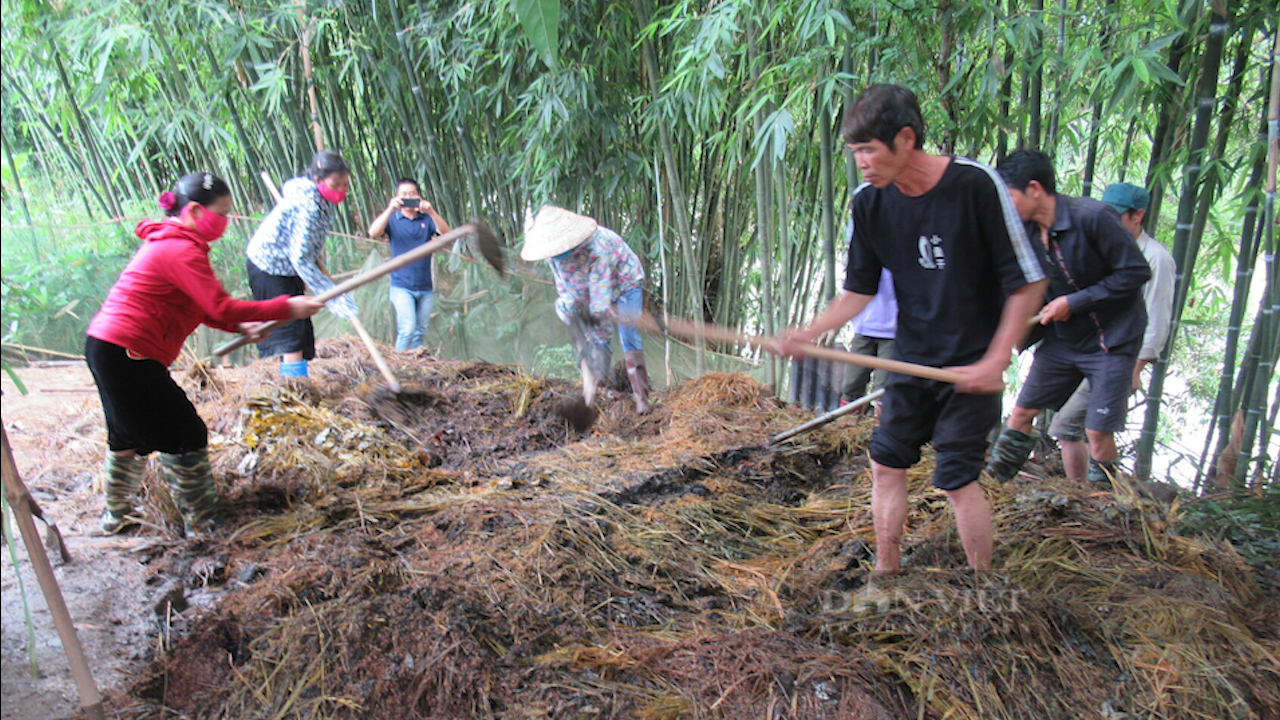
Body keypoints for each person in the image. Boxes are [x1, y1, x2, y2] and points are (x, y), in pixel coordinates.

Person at [773, 84, 1047, 575]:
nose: (861, 162)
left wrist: (996, 359)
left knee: (959, 480)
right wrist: (810, 333)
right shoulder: (870, 204)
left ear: (906, 139)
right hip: (909, 357)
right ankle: (886, 572)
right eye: (855, 152)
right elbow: (858, 291)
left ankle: (985, 586)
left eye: (868, 150)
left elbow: (1028, 282)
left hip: (970, 363)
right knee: (885, 464)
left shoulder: (974, 186)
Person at [85, 173, 323, 535]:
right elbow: (221, 307)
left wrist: (243, 328)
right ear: (195, 210)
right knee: (185, 433)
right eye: (222, 214)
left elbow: (206, 311)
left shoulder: (175, 244)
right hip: (128, 351)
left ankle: (116, 516)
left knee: (126, 437)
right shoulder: (178, 248)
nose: (225, 223)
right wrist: (285, 307)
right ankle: (204, 525)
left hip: (108, 347)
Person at [987, 151, 1151, 485]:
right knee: (1021, 413)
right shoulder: (1025, 233)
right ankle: (993, 487)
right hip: (1064, 339)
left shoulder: (1093, 217)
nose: (1005, 207)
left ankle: (1101, 505)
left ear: (1034, 189)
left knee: (1097, 430)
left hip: (1112, 340)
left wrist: (1074, 302)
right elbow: (1022, 289)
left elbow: (1135, 272)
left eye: (1009, 196)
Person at [1047, 182, 1175, 483]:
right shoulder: (1099, 245)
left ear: (1137, 216)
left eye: (1117, 216)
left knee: (1084, 427)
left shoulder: (1156, 258)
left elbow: (1158, 318)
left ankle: (1097, 494)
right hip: (1088, 347)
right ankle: (1083, 494)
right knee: (1078, 428)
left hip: (1119, 352)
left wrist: (1137, 365)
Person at [521, 206, 652, 414]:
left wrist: (598, 312)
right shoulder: (552, 257)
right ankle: (600, 389)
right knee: (597, 337)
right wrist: (571, 315)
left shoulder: (596, 249)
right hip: (593, 293)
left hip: (625, 283)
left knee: (627, 332)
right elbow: (565, 289)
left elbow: (599, 298)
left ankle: (642, 399)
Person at [245, 149, 359, 377]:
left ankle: (294, 379)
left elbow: (309, 245)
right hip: (269, 266)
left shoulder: (320, 199)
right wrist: (331, 294)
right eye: (336, 184)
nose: (342, 190)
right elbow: (300, 257)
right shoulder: (308, 205)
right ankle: (295, 390)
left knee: (300, 326)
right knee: (290, 328)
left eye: (346, 184)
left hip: (287, 267)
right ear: (318, 180)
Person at [368, 178, 451, 351]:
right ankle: (398, 367)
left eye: (412, 194)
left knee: (420, 331)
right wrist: (390, 209)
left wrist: (432, 212)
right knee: (407, 329)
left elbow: (447, 234)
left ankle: (416, 366)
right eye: (403, 194)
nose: (408, 197)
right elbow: (373, 232)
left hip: (425, 286)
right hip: (401, 286)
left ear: (419, 196)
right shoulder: (392, 219)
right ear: (397, 197)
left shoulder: (426, 219)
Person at [840, 266, 897, 405]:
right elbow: (850, 290)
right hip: (864, 328)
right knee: (851, 382)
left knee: (884, 388)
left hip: (893, 331)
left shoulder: (902, 253)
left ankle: (881, 422)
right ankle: (849, 418)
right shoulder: (862, 251)